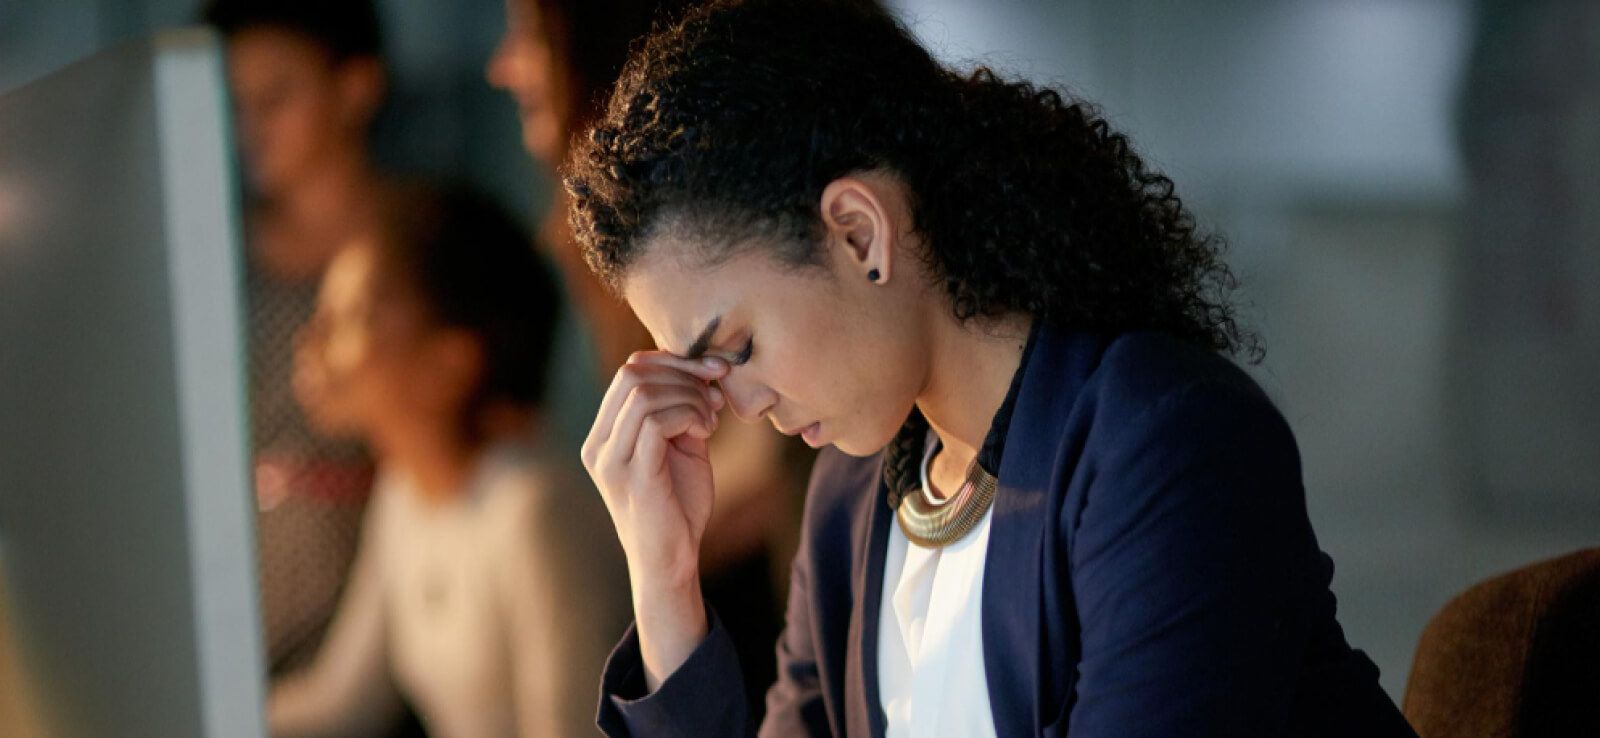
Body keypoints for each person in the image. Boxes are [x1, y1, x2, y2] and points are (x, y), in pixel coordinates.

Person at [563, 1, 1421, 735]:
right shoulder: (850, 499)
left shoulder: (1162, 442)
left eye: (737, 348)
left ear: (860, 232)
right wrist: (666, 581)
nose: (739, 407)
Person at [486, 0, 811, 720]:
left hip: (764, 591)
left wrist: (651, 542)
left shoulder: (721, 194)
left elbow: (769, 442)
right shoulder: (595, 232)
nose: (503, 68)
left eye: (526, 38)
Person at [268, 186, 631, 738]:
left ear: (451, 362)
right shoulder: (403, 492)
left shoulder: (535, 511)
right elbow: (342, 702)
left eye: (353, 318)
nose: (314, 341)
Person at [202, 0, 393, 676]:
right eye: (235, 103)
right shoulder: (211, 257)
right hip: (249, 602)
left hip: (395, 594)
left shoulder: (415, 248)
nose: (251, 127)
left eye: (276, 97)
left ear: (355, 87)